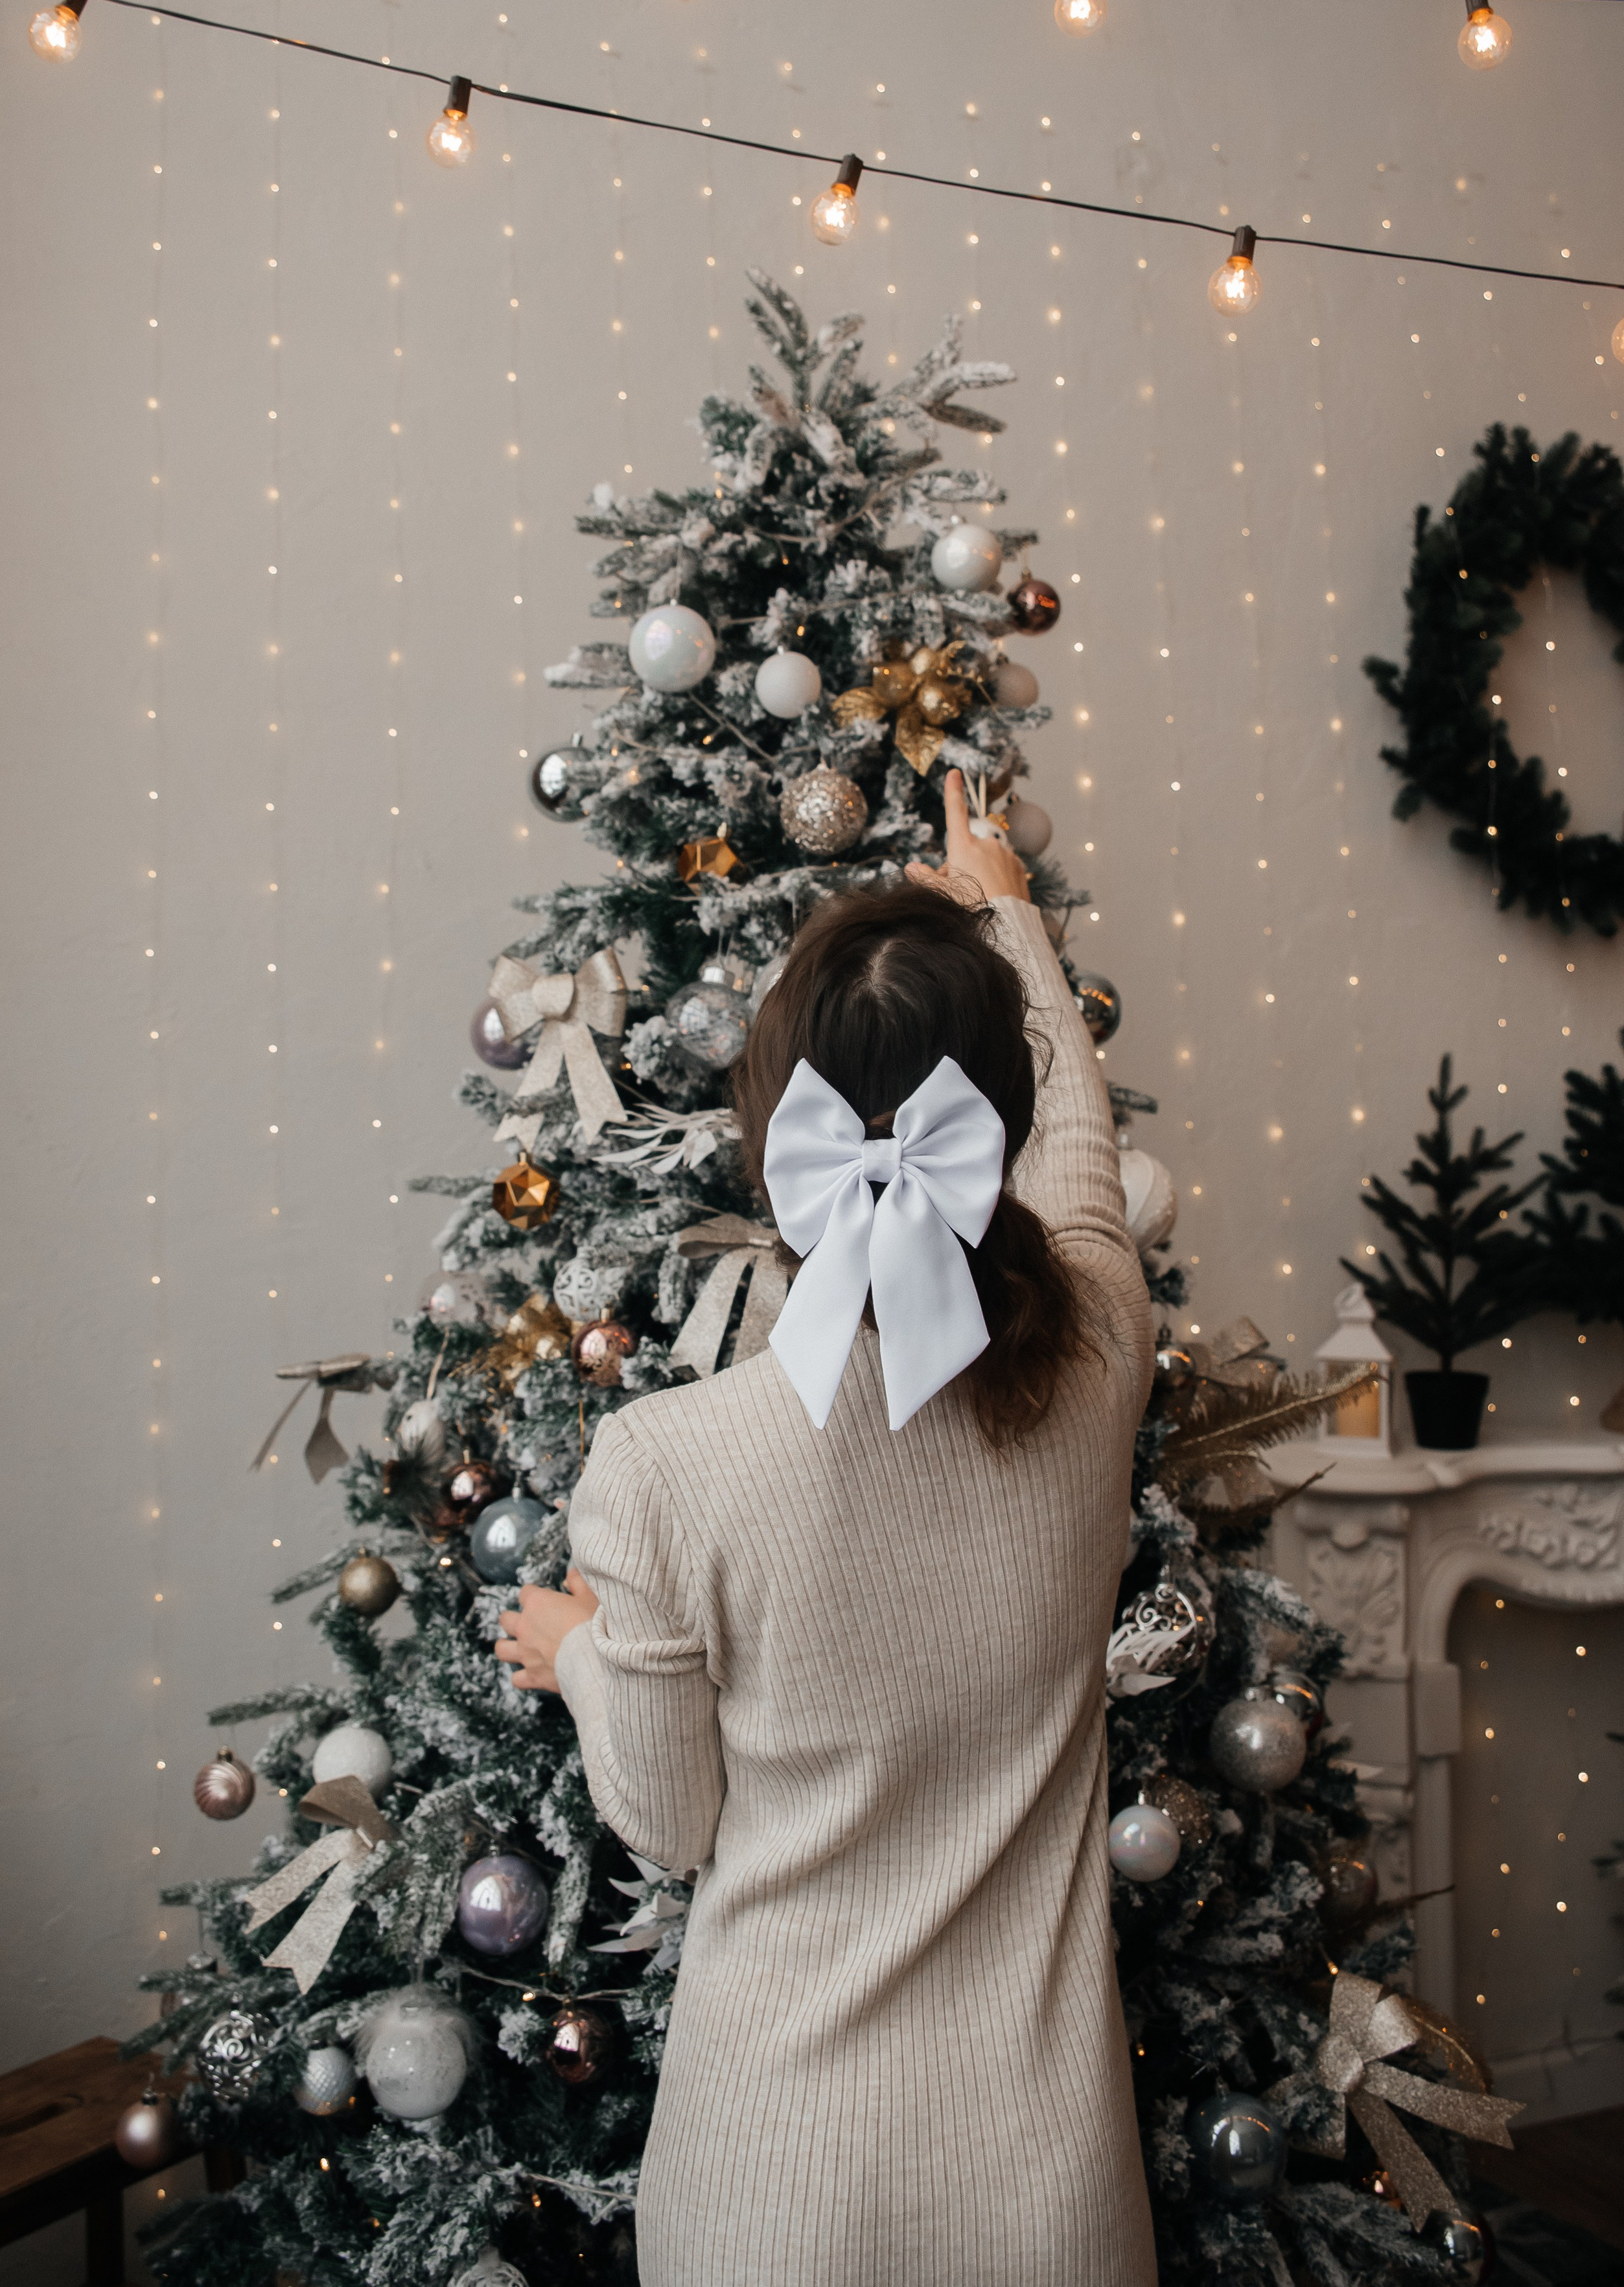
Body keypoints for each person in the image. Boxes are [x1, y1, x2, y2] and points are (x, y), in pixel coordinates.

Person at [496, 769, 1157, 2287]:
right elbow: (1082, 1161)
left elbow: (667, 1826)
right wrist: (1001, 900)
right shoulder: (1104, 1347)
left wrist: (588, 1653)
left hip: (772, 2199)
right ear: (991, 1122)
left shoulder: (664, 1464)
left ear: (770, 1122)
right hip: (1045, 2205)